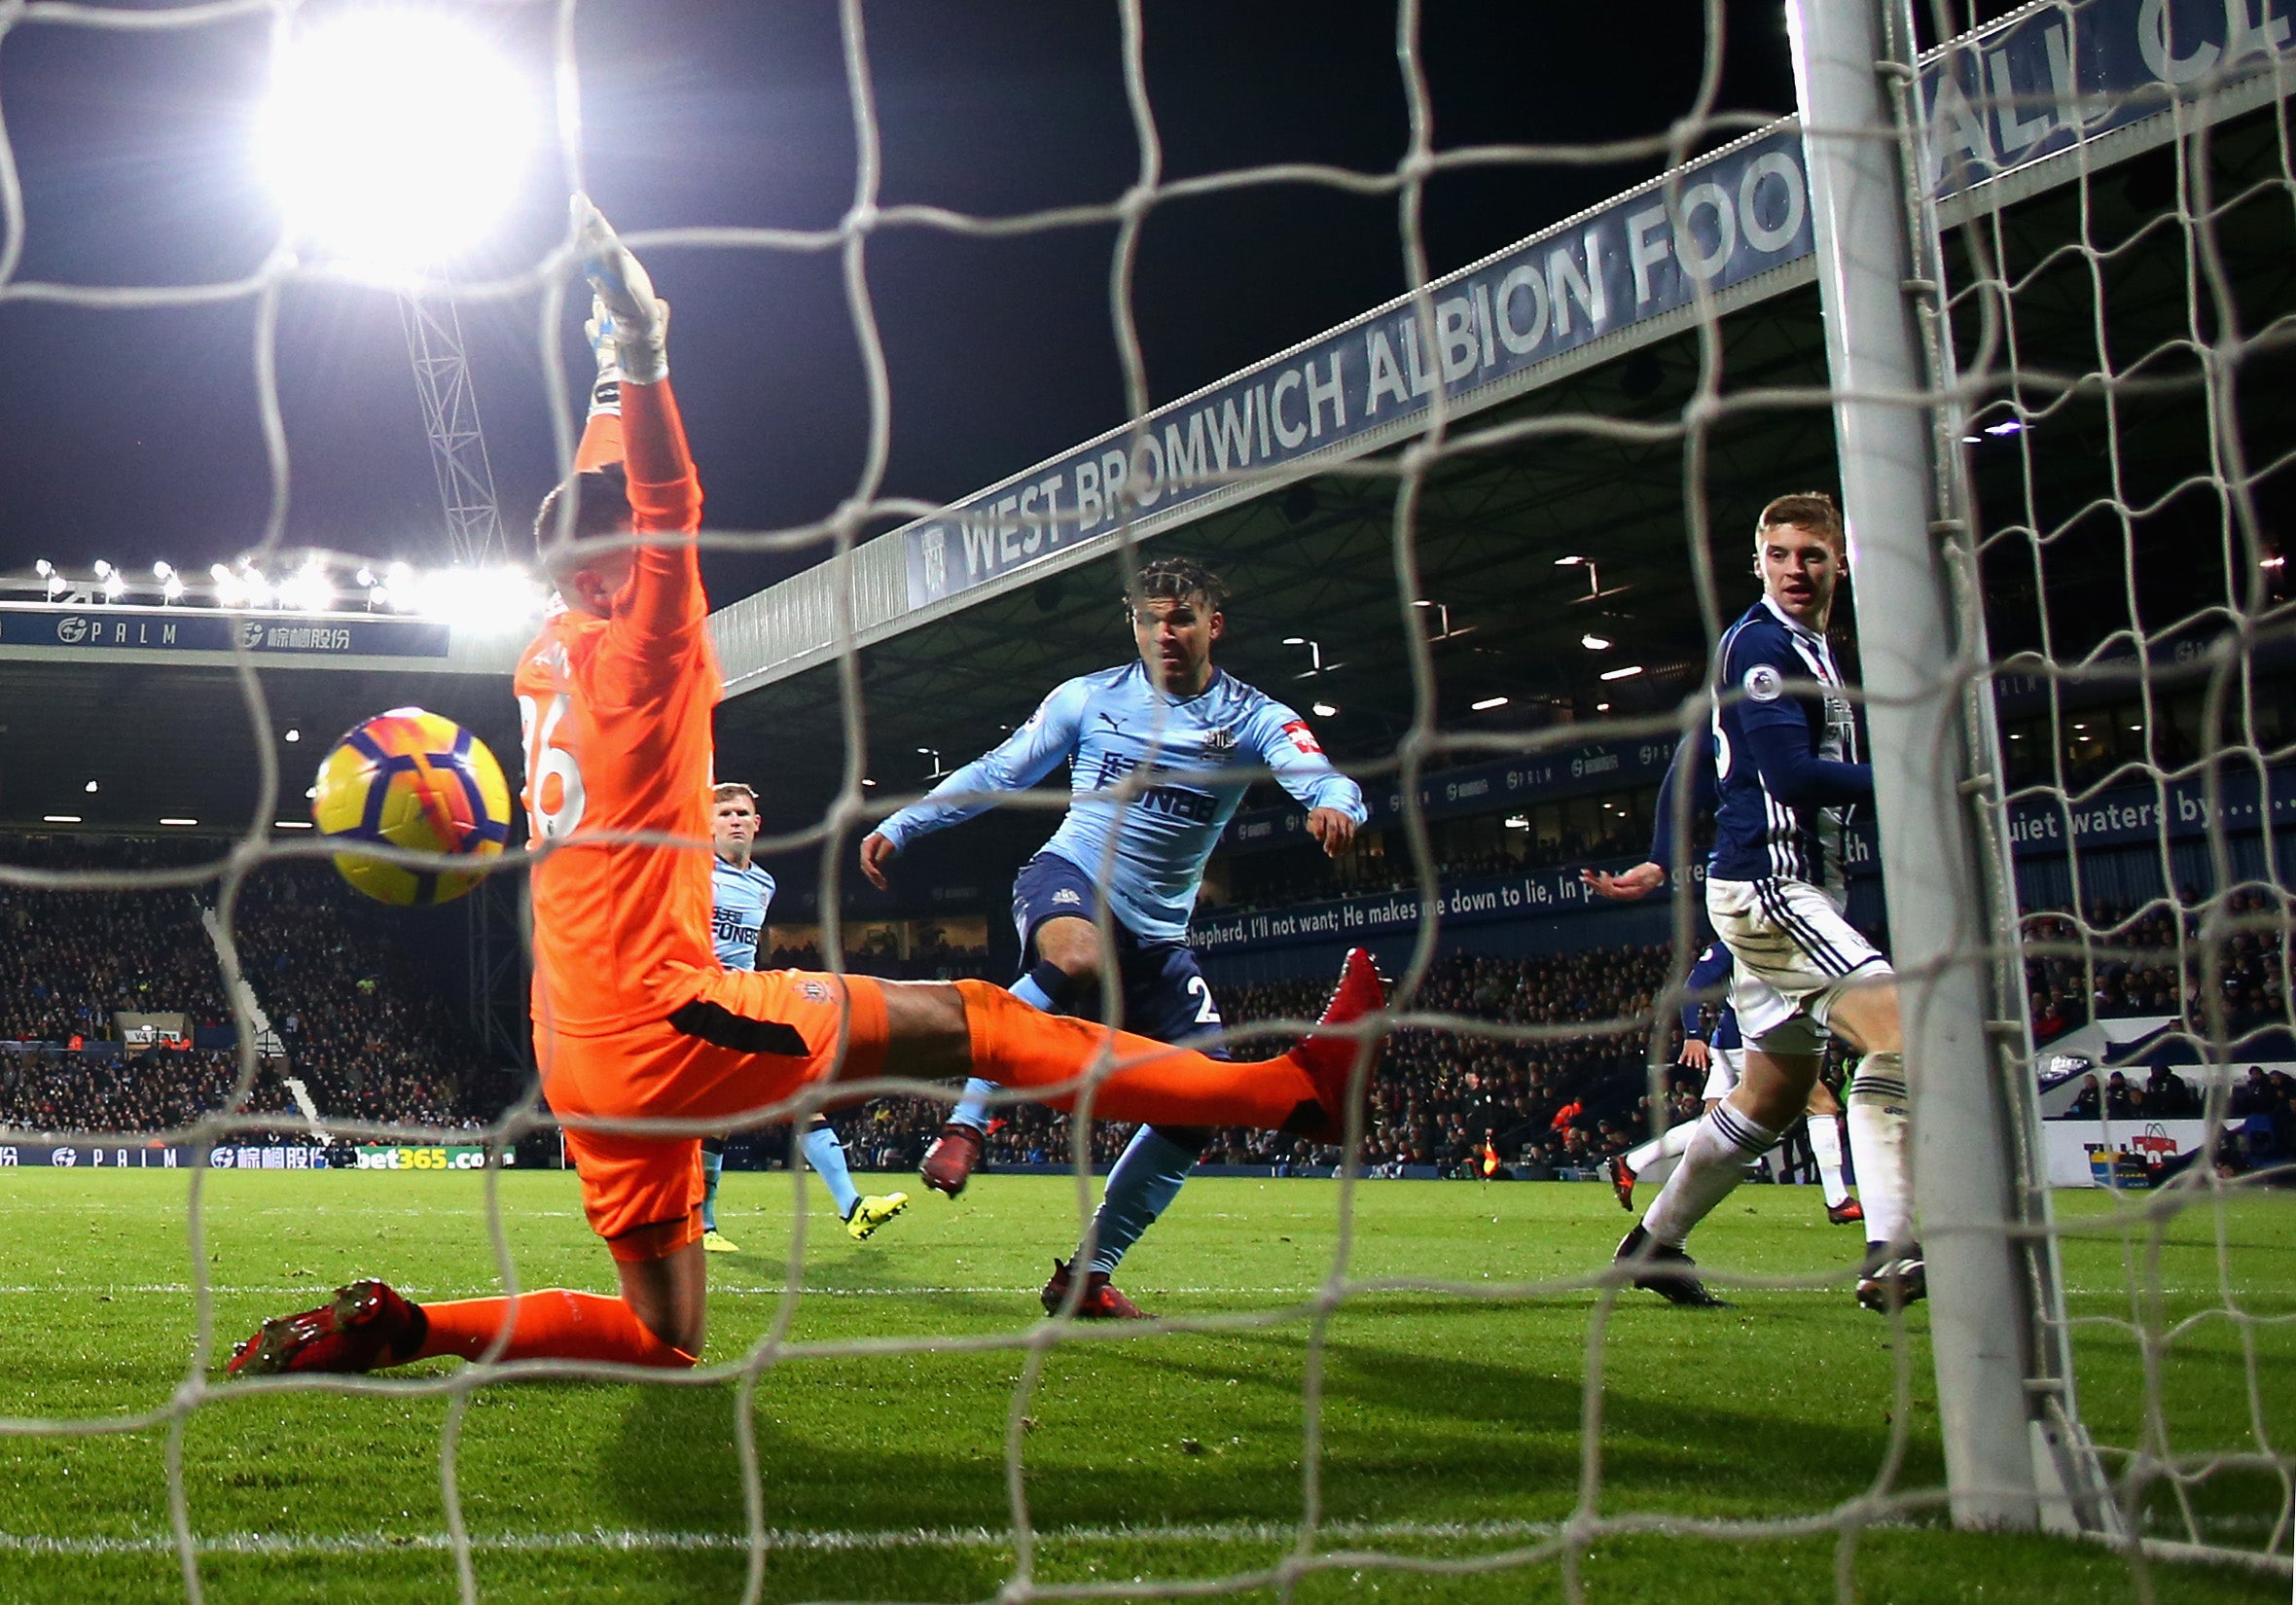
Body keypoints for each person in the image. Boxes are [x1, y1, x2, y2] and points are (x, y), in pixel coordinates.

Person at [225, 198, 1384, 1377]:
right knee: (981, 1019)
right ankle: (1290, 1093)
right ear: (621, 562)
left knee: (662, 1338)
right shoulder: (645, 656)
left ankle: (406, 1326)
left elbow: (593, 496)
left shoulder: (544, 652)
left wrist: (605, 372)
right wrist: (643, 349)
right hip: (673, 1018)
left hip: (572, 1037)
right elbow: (666, 502)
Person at [859, 557, 1367, 1318]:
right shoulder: (1089, 698)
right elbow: (1002, 768)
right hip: (1068, 876)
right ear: (1132, 624)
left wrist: (1335, 806)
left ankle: (1085, 1279)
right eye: (1148, 619)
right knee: (1075, 956)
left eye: (1181, 619)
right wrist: (906, 821)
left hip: (1159, 937)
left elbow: (1317, 770)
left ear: (1211, 626)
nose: (1164, 634)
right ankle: (967, 1121)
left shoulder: (1253, 715)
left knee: (1200, 1102)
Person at [1583, 491, 1919, 1313]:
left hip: (1790, 885)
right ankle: (1895, 1246)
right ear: (1758, 562)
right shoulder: (1764, 646)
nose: (1796, 570)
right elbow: (1793, 777)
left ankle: (1655, 1245)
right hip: (1770, 888)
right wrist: (1916, 778)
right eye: (1781, 555)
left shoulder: (1811, 647)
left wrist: (1663, 857)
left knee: (1770, 1095)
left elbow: (1695, 750)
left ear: (1840, 561)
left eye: (1812, 555)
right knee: (1896, 1033)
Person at [707, 781, 908, 1251]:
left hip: (747, 1001)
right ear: (706, 825)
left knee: (797, 1094)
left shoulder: (764, 883)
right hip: (698, 1001)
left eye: (742, 814)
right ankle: (703, 1225)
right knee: (715, 1115)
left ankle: (852, 1207)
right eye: (724, 814)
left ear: (757, 825)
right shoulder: (688, 872)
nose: (734, 821)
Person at [1606, 941, 1860, 1228]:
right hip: (1747, 1042)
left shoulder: (1787, 943)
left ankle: (1631, 1164)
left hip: (1735, 1040)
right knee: (1820, 1104)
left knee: (1711, 1126)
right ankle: (1838, 1200)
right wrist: (1692, 1035)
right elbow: (1689, 991)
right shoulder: (1736, 944)